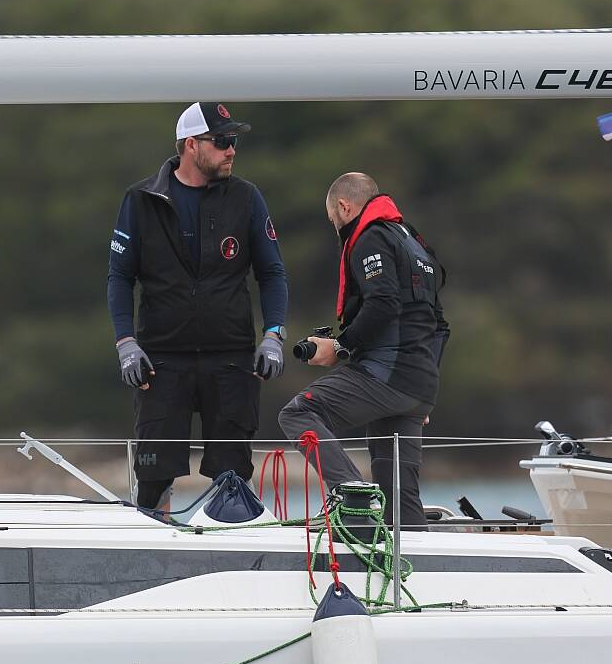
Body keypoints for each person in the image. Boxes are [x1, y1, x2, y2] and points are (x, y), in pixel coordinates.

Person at [107, 102, 288, 511]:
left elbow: (272, 273)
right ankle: (155, 555)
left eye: (234, 141)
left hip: (230, 358)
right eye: (223, 141)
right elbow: (119, 277)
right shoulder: (140, 200)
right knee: (153, 480)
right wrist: (125, 342)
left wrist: (274, 335)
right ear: (192, 145)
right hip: (160, 359)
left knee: (232, 481)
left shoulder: (246, 197)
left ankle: (233, 561)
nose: (231, 151)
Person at [278, 173, 449, 530]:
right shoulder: (415, 242)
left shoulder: (370, 237)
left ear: (343, 207)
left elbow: (383, 303)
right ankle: (417, 569)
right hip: (418, 385)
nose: (335, 228)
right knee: (401, 506)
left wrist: (339, 347)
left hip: (385, 375)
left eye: (332, 221)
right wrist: (421, 394)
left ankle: (354, 499)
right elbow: (439, 325)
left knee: (298, 414)